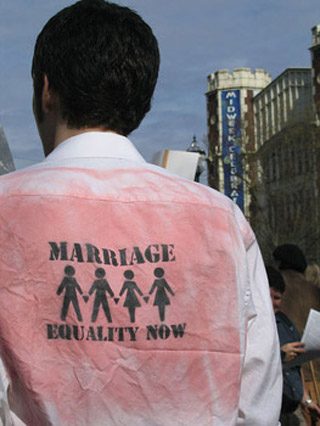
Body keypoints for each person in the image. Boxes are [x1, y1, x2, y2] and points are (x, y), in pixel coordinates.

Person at [0, 1, 281, 424]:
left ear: (46, 90)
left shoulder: (7, 208)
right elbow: (257, 405)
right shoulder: (221, 219)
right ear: (141, 99)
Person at [267, 265, 320, 426]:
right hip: (269, 411)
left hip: (292, 411)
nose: (274, 303)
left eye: (278, 298)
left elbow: (296, 368)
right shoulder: (252, 326)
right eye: (270, 297)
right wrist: (280, 357)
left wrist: (306, 400)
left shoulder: (285, 324)